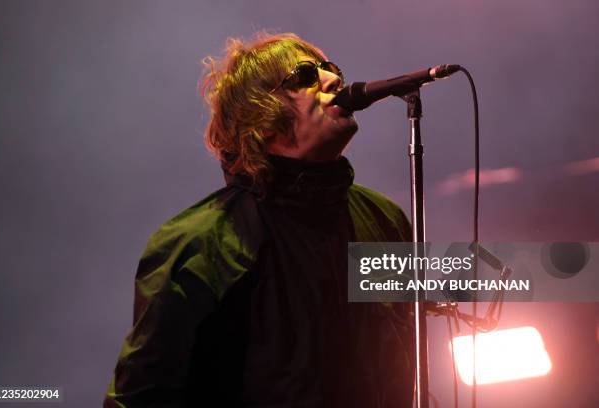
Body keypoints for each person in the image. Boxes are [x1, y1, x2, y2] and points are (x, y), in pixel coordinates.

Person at [104, 32, 414, 408]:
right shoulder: (199, 242)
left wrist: (500, 277)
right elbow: (140, 397)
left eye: (331, 70)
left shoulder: (385, 220)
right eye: (304, 76)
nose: (334, 80)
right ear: (260, 116)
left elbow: (405, 357)